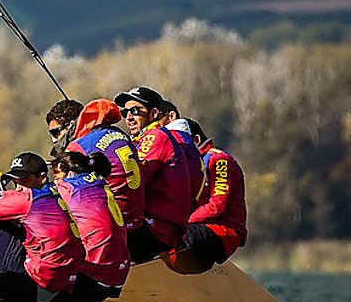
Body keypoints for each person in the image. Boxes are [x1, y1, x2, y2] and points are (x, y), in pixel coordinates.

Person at [0, 152, 85, 302]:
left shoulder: (27, 200)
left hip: (38, 291)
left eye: (24, 181)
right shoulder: (60, 191)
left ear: (42, 177)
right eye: (15, 182)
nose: (18, 188)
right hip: (66, 285)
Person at [114, 86, 194, 263]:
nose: (129, 117)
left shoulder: (156, 136)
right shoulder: (142, 139)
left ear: (154, 113)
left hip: (158, 229)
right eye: (125, 112)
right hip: (155, 226)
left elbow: (134, 179)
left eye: (135, 111)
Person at [163, 119, 247, 274]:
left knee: (169, 233)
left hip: (222, 232)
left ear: (196, 140)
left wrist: (181, 222)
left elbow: (218, 205)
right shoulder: (189, 164)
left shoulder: (218, 160)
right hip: (196, 228)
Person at [51, 151, 130, 302]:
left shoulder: (68, 187)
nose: (55, 182)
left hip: (91, 281)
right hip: (118, 276)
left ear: (71, 173)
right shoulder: (100, 183)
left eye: (57, 177)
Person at [57, 98, 146, 231]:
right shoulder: (121, 134)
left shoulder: (79, 145)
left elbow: (65, 187)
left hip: (114, 221)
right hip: (138, 218)